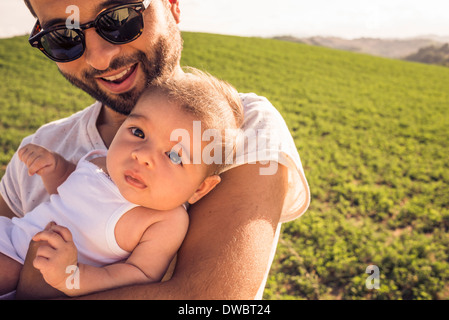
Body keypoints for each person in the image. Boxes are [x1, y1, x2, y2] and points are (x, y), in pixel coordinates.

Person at [0, 0, 310, 299]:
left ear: (172, 4)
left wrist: (48, 279)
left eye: (120, 17)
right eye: (63, 36)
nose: (99, 58)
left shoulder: (240, 129)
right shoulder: (42, 145)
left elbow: (208, 300)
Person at [0, 70, 244, 298]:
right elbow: (69, 193)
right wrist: (54, 168)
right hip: (13, 237)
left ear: (200, 188)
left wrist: (74, 276)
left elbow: (140, 274)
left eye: (175, 156)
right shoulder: (100, 161)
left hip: (29, 265)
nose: (142, 155)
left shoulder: (165, 221)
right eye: (138, 132)